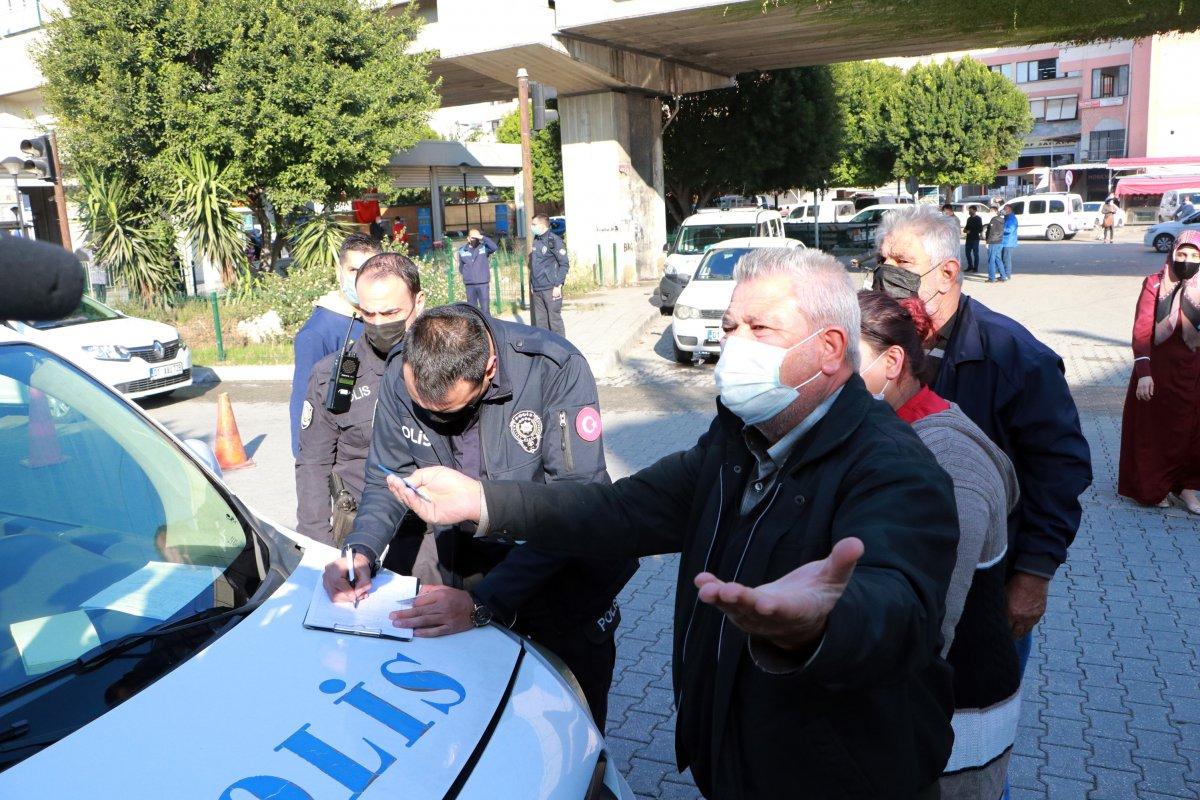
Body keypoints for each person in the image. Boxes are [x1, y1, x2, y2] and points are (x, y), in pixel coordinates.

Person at [385, 248, 960, 800]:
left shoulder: (894, 467)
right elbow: (618, 510)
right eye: (730, 327)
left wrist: (821, 624)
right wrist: (483, 502)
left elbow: (900, 606)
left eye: (759, 330)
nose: (732, 347)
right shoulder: (736, 441)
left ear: (830, 347)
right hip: (739, 762)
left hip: (842, 781)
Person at [323, 303, 637, 731]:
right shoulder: (403, 367)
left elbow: (574, 506)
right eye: (422, 409)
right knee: (475, 728)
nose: (434, 419)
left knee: (566, 729)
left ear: (489, 369)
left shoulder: (554, 368)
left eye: (447, 412)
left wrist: (484, 604)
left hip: (560, 586)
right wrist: (361, 549)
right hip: (463, 578)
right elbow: (389, 481)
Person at [872, 205, 1092, 680]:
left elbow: (1060, 471)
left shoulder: (1014, 357)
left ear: (947, 272)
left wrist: (1033, 575)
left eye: (901, 263)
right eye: (880, 258)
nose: (885, 274)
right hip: (894, 569)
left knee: (975, 711)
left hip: (985, 578)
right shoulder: (882, 343)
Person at [858, 290, 1021, 800]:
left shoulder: (949, 462)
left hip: (953, 736)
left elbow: (931, 627)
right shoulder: (887, 434)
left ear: (892, 363)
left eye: (842, 360)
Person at [295, 253, 425, 546]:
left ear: (418, 302)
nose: (379, 324)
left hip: (432, 531)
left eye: (391, 314)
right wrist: (316, 544)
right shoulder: (331, 375)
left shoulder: (445, 363)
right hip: (361, 530)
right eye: (369, 315)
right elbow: (312, 462)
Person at [1119, 230, 1200, 514]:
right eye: (1182, 254)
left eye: (1193, 255)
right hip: (1157, 371)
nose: (1186, 260)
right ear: (1173, 253)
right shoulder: (1155, 283)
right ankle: (1154, 488)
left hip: (1194, 372)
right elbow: (1142, 329)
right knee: (1156, 432)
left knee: (1194, 433)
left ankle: (1188, 489)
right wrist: (1144, 371)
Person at [288, 233, 379, 457]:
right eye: (353, 270)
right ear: (339, 271)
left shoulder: (381, 318)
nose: (361, 278)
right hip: (346, 462)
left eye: (369, 269)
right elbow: (304, 408)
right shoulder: (317, 334)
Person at [529, 213, 569, 336]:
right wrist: (532, 283)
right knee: (541, 324)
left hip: (551, 288)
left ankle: (562, 350)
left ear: (542, 225)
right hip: (537, 288)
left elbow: (564, 264)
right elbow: (535, 265)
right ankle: (545, 352)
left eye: (534, 224)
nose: (532, 227)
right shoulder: (536, 240)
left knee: (554, 322)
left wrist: (558, 285)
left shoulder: (554, 240)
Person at [457, 228, 498, 315]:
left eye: (477, 237)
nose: (475, 239)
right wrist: (467, 275)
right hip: (470, 285)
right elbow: (461, 267)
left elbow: (494, 247)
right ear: (468, 238)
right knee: (472, 312)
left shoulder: (484, 248)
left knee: (485, 310)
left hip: (483, 283)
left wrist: (481, 237)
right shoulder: (462, 250)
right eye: (473, 237)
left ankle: (487, 328)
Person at [984, 203, 1006, 283]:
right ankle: (1003, 276)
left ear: (995, 211)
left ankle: (991, 278)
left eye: (991, 211)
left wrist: (987, 242)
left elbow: (991, 232)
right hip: (999, 241)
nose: (990, 212)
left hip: (993, 242)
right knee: (998, 259)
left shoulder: (994, 220)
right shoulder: (1002, 220)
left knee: (991, 260)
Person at [1000, 204, 1019, 279]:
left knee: (1006, 260)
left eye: (1005, 209)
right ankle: (1004, 275)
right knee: (1004, 259)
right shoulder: (1007, 217)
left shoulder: (1012, 219)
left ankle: (1006, 275)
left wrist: (1000, 230)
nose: (1003, 210)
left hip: (1008, 242)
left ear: (1010, 210)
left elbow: (1010, 230)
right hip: (1004, 242)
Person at [963, 206, 983, 273]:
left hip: (975, 239)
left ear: (975, 210)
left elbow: (980, 229)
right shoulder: (969, 219)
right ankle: (970, 266)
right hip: (968, 239)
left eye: (971, 210)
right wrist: (965, 230)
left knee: (975, 254)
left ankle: (975, 268)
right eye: (969, 210)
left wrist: (971, 231)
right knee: (967, 253)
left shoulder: (978, 219)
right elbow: (965, 228)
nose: (969, 212)